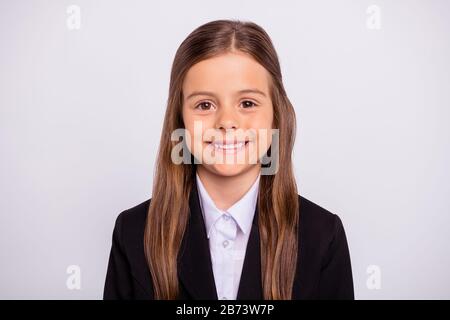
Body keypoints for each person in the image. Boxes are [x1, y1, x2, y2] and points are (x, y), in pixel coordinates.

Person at [103, 19, 354, 300]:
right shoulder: (134, 232)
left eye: (247, 103)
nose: (227, 122)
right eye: (205, 105)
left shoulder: (322, 235)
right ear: (180, 120)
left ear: (276, 115)